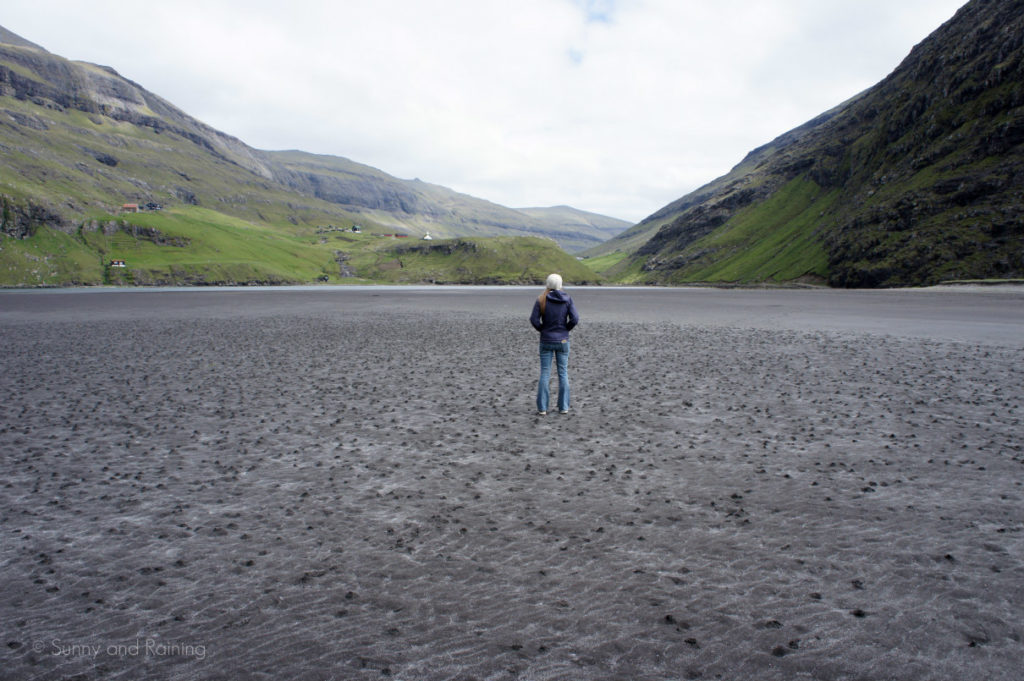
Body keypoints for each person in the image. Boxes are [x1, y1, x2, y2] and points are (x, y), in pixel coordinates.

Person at [529, 273, 579, 415]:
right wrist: (565, 330)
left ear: (547, 284)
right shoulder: (567, 299)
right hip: (563, 341)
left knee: (545, 373)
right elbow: (575, 319)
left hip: (546, 340)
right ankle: (563, 407)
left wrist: (542, 330)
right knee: (563, 373)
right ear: (560, 285)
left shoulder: (541, 299)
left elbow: (533, 319)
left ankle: (542, 408)